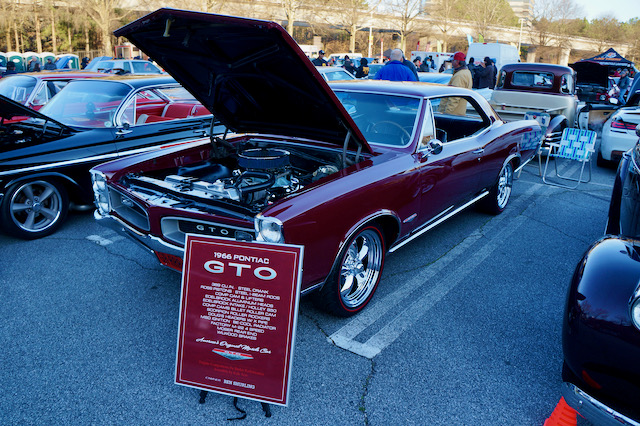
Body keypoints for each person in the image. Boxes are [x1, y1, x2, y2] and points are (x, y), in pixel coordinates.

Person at [438, 51, 472, 116]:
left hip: (453, 113)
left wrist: (447, 113)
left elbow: (454, 97)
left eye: (453, 60)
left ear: (457, 62)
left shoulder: (459, 76)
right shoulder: (466, 72)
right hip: (459, 111)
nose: (451, 62)